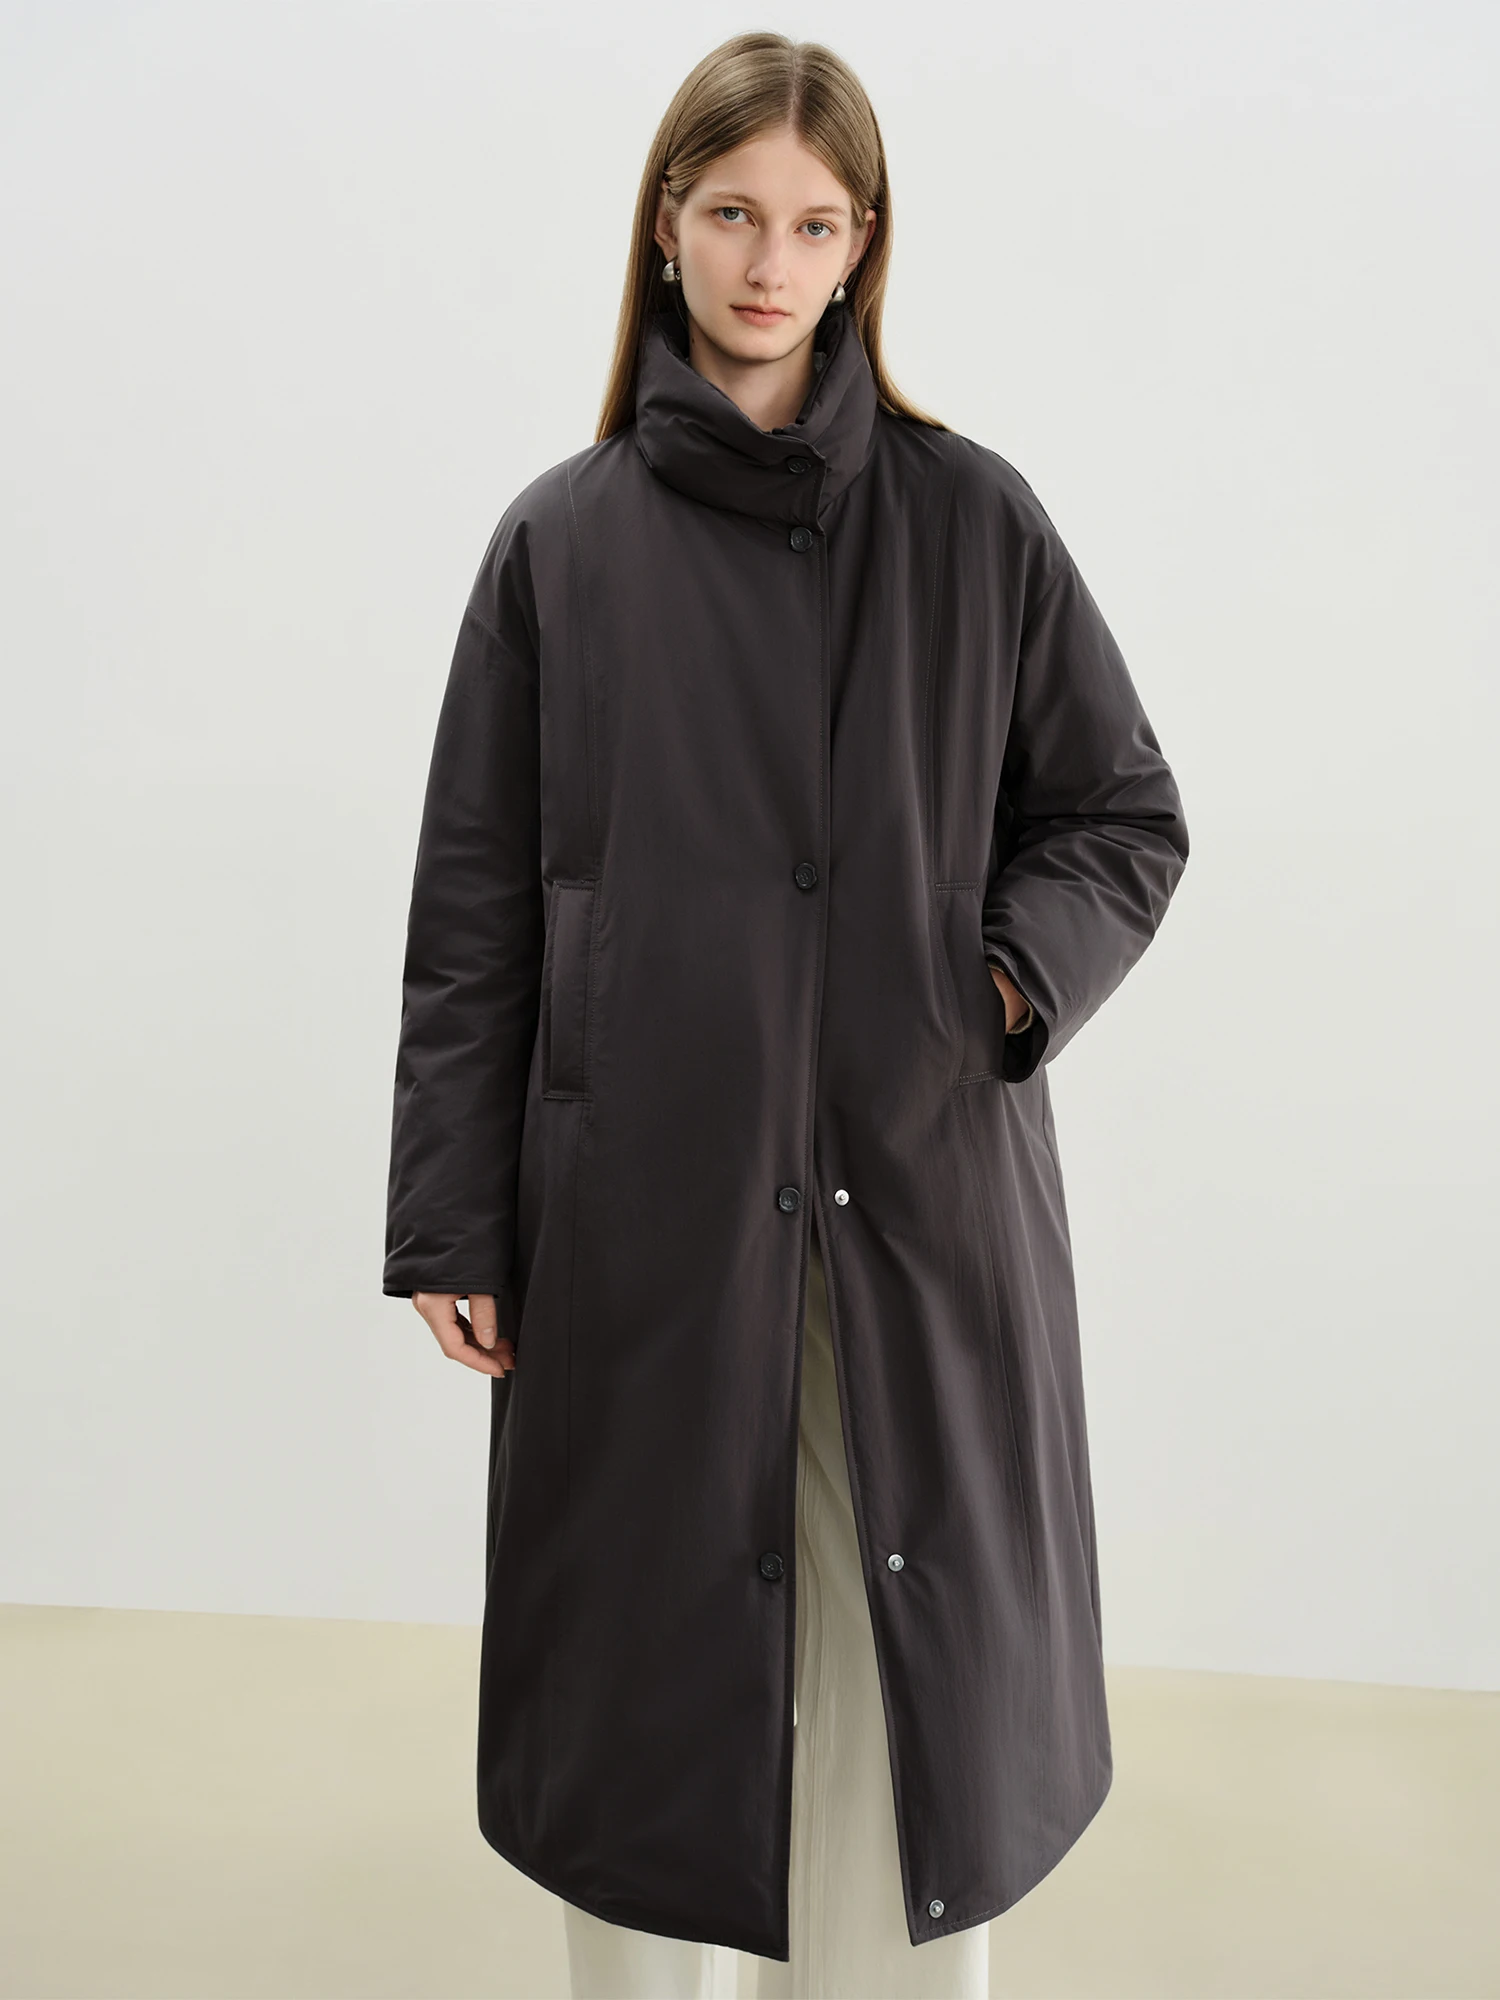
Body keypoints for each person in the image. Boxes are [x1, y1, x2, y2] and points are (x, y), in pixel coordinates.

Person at [383, 30, 1188, 2000]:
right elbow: (475, 913)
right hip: (646, 1217)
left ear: (863, 248)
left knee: (906, 1718)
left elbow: (1121, 816)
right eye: (735, 212)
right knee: (650, 1699)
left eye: (815, 224)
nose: (770, 261)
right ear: (665, 226)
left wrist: (995, 982)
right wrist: (452, 1217)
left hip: (919, 1198)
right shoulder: (561, 545)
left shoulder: (976, 523)